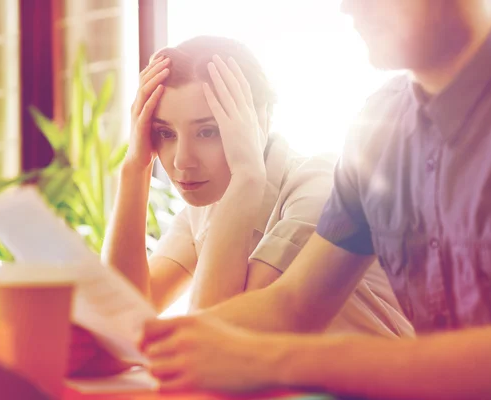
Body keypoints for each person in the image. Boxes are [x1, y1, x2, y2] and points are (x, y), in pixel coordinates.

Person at [141, 1, 491, 398]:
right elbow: (293, 305)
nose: (348, 6)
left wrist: (273, 359)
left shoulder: (309, 181)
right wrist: (153, 346)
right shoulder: (380, 129)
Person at [101, 36, 411, 335]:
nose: (182, 161)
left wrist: (248, 176)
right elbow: (125, 313)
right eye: (165, 134)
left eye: (207, 132)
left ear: (262, 118)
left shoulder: (316, 188)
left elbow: (215, 338)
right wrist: (135, 167)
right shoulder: (211, 200)